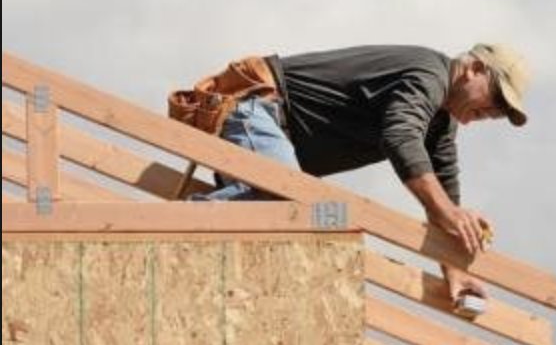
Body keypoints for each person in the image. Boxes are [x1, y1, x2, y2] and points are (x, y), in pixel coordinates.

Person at [192, 43, 532, 302]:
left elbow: (444, 194)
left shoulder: (440, 126)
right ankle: (174, 236)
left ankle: (188, 239)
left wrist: (453, 269)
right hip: (258, 108)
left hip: (277, 137)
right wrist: (450, 212)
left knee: (317, 218)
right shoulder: (430, 75)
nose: (483, 115)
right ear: (473, 68)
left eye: (493, 116)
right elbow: (400, 137)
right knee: (293, 204)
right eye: (491, 102)